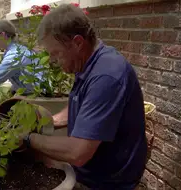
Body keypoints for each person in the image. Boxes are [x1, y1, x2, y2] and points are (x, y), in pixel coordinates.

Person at [20, 4, 147, 189]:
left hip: (109, 183)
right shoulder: (89, 63)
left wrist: (28, 139)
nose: (53, 61)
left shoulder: (106, 76)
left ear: (78, 43)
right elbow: (80, 105)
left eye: (56, 53)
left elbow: (78, 152)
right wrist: (48, 121)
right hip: (94, 174)